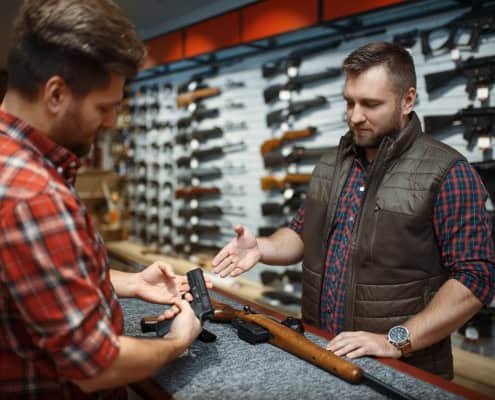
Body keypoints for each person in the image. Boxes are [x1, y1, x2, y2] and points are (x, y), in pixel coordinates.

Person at [213, 42, 495, 379]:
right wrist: (263, 247)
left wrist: (396, 340)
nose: (355, 116)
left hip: (402, 369)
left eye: (371, 104)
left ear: (407, 100)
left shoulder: (448, 172)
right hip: (322, 352)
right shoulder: (331, 163)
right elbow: (303, 233)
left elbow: (475, 278)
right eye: (350, 102)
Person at [0, 1, 203, 399]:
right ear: (56, 93)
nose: (111, 122)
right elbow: (96, 366)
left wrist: (128, 282)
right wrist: (178, 341)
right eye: (104, 107)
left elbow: (32, 282)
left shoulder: (16, 166)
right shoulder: (34, 196)